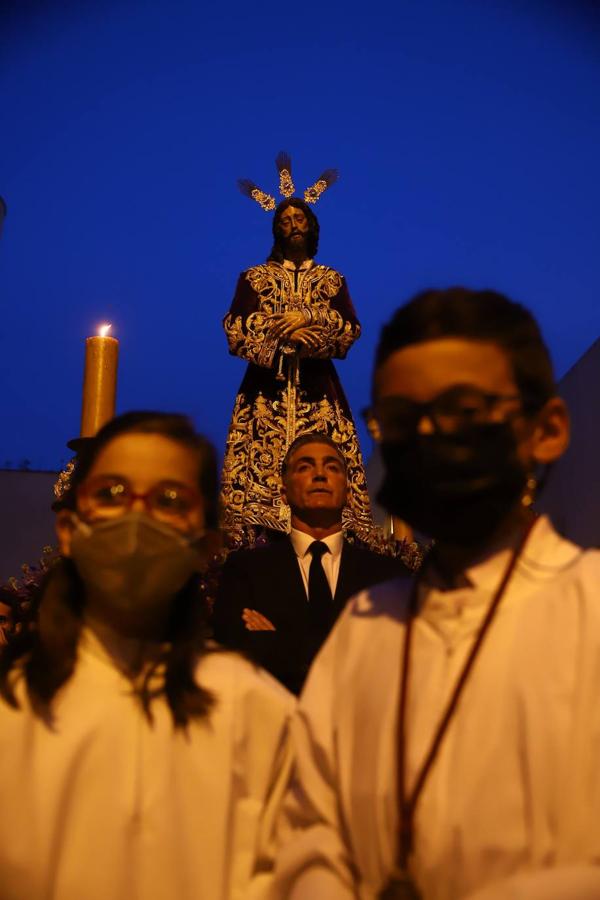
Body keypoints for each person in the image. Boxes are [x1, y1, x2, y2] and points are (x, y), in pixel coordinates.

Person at [271, 288, 600, 899]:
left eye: (462, 409)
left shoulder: (591, 605)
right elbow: (307, 830)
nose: (427, 436)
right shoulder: (366, 626)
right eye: (400, 420)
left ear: (547, 429)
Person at [0, 411, 292, 900]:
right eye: (111, 493)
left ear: (206, 546)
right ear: (69, 528)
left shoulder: (254, 706)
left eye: (170, 499)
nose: (137, 515)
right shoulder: (13, 710)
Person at [221, 156, 374, 547]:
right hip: (263, 397)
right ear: (276, 229)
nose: (292, 225)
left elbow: (350, 329)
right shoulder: (254, 278)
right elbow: (235, 327)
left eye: (299, 219)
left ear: (311, 226)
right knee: (256, 508)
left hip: (319, 395)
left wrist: (310, 321)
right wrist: (278, 333)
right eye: (285, 220)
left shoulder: (331, 279)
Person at [213, 434, 409, 695]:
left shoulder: (388, 575)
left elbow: (394, 660)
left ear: (349, 493)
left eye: (331, 467)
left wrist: (276, 641)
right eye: (305, 467)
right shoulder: (246, 571)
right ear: (283, 493)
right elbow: (234, 654)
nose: (319, 475)